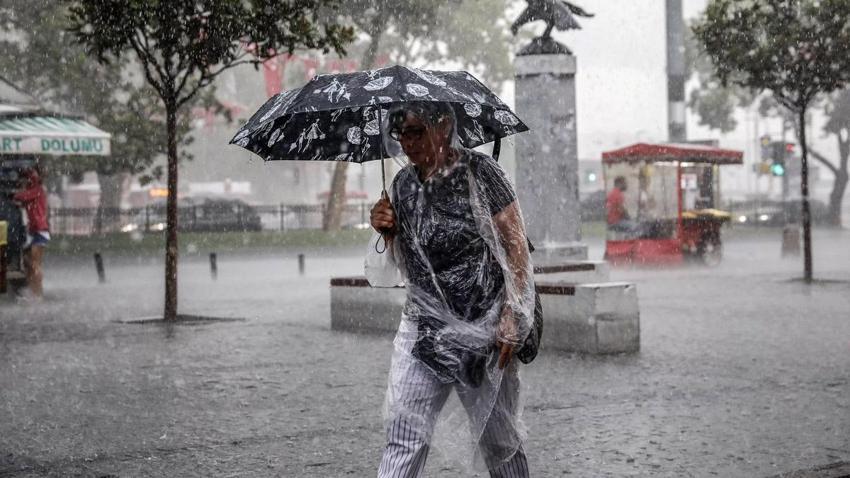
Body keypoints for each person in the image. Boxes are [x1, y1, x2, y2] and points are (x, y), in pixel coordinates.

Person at [369, 102, 535, 477]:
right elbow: (405, 263)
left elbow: (515, 246)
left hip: (484, 332)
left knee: (500, 444)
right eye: (400, 134)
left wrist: (514, 313)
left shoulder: (481, 174)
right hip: (424, 331)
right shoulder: (402, 186)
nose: (407, 143)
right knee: (404, 434)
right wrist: (386, 230)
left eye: (416, 131)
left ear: (443, 126)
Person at [14, 167, 49, 298]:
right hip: (33, 230)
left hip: (40, 230)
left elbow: (21, 196)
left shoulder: (37, 190)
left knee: (35, 264)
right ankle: (33, 291)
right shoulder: (33, 191)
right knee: (27, 262)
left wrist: (15, 194)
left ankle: (38, 293)